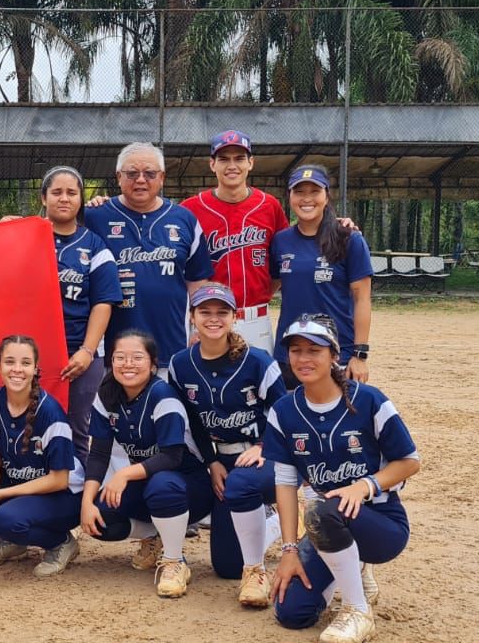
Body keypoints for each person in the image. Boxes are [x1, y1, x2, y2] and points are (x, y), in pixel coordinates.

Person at [262, 314, 420, 643]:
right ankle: (349, 565)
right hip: (329, 522)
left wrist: (365, 485)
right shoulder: (284, 411)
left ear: (334, 355)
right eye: (295, 350)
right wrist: (289, 550)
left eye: (314, 350)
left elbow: (409, 462)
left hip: (380, 521)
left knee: (323, 510)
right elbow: (286, 485)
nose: (303, 359)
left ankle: (356, 609)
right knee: (292, 613)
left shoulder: (369, 400)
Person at [166, 283, 288, 606]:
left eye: (222, 312)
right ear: (192, 317)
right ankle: (273, 523)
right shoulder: (180, 364)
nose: (214, 319)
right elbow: (192, 421)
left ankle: (284, 511)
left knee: (241, 484)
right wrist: (211, 462)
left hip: (267, 456)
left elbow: (286, 412)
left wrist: (264, 445)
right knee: (228, 567)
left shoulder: (258, 361)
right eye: (205, 311)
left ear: (235, 317)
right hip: (223, 461)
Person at [80, 330, 212, 598]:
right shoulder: (107, 394)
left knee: (162, 484)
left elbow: (171, 457)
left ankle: (175, 562)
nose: (128, 364)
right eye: (120, 357)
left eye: (137, 357)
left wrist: (125, 473)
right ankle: (154, 536)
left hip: (189, 488)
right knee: (102, 516)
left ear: (153, 365)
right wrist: (86, 502)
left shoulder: (163, 395)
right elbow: (98, 454)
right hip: (149, 482)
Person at [0, 335, 84, 577]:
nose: (17, 369)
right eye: (9, 362)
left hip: (64, 496)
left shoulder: (50, 413)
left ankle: (60, 542)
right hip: (23, 485)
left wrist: (0, 493)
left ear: (35, 369)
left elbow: (59, 480)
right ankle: (11, 542)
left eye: (25, 363)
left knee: (6, 518)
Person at [84, 143, 213, 375]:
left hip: (171, 347)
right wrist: (13, 225)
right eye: (132, 173)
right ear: (118, 177)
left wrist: (199, 329)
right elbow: (55, 233)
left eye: (150, 173)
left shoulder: (184, 219)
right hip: (112, 352)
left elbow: (197, 282)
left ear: (162, 177)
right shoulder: (94, 217)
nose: (140, 180)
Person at [37, 166, 120, 462]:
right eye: (56, 192)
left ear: (81, 200)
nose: (64, 198)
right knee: (32, 428)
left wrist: (87, 351)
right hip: (32, 353)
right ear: (43, 197)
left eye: (72, 193)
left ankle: (80, 501)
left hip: (80, 354)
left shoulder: (94, 245)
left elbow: (103, 302)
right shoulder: (23, 236)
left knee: (79, 431)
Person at [180, 131, 288, 350]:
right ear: (212, 164)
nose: (232, 165)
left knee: (258, 383)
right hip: (209, 321)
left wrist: (335, 223)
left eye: (239, 158)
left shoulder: (269, 206)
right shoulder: (189, 209)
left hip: (255, 319)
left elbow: (286, 256)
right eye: (223, 159)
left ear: (251, 163)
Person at [270, 165, 373, 384]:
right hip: (291, 352)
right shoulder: (280, 241)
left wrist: (360, 354)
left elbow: (362, 298)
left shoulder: (348, 239)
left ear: (326, 196)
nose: (306, 199)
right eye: (299, 192)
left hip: (336, 352)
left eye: (314, 191)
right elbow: (268, 288)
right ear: (289, 197)